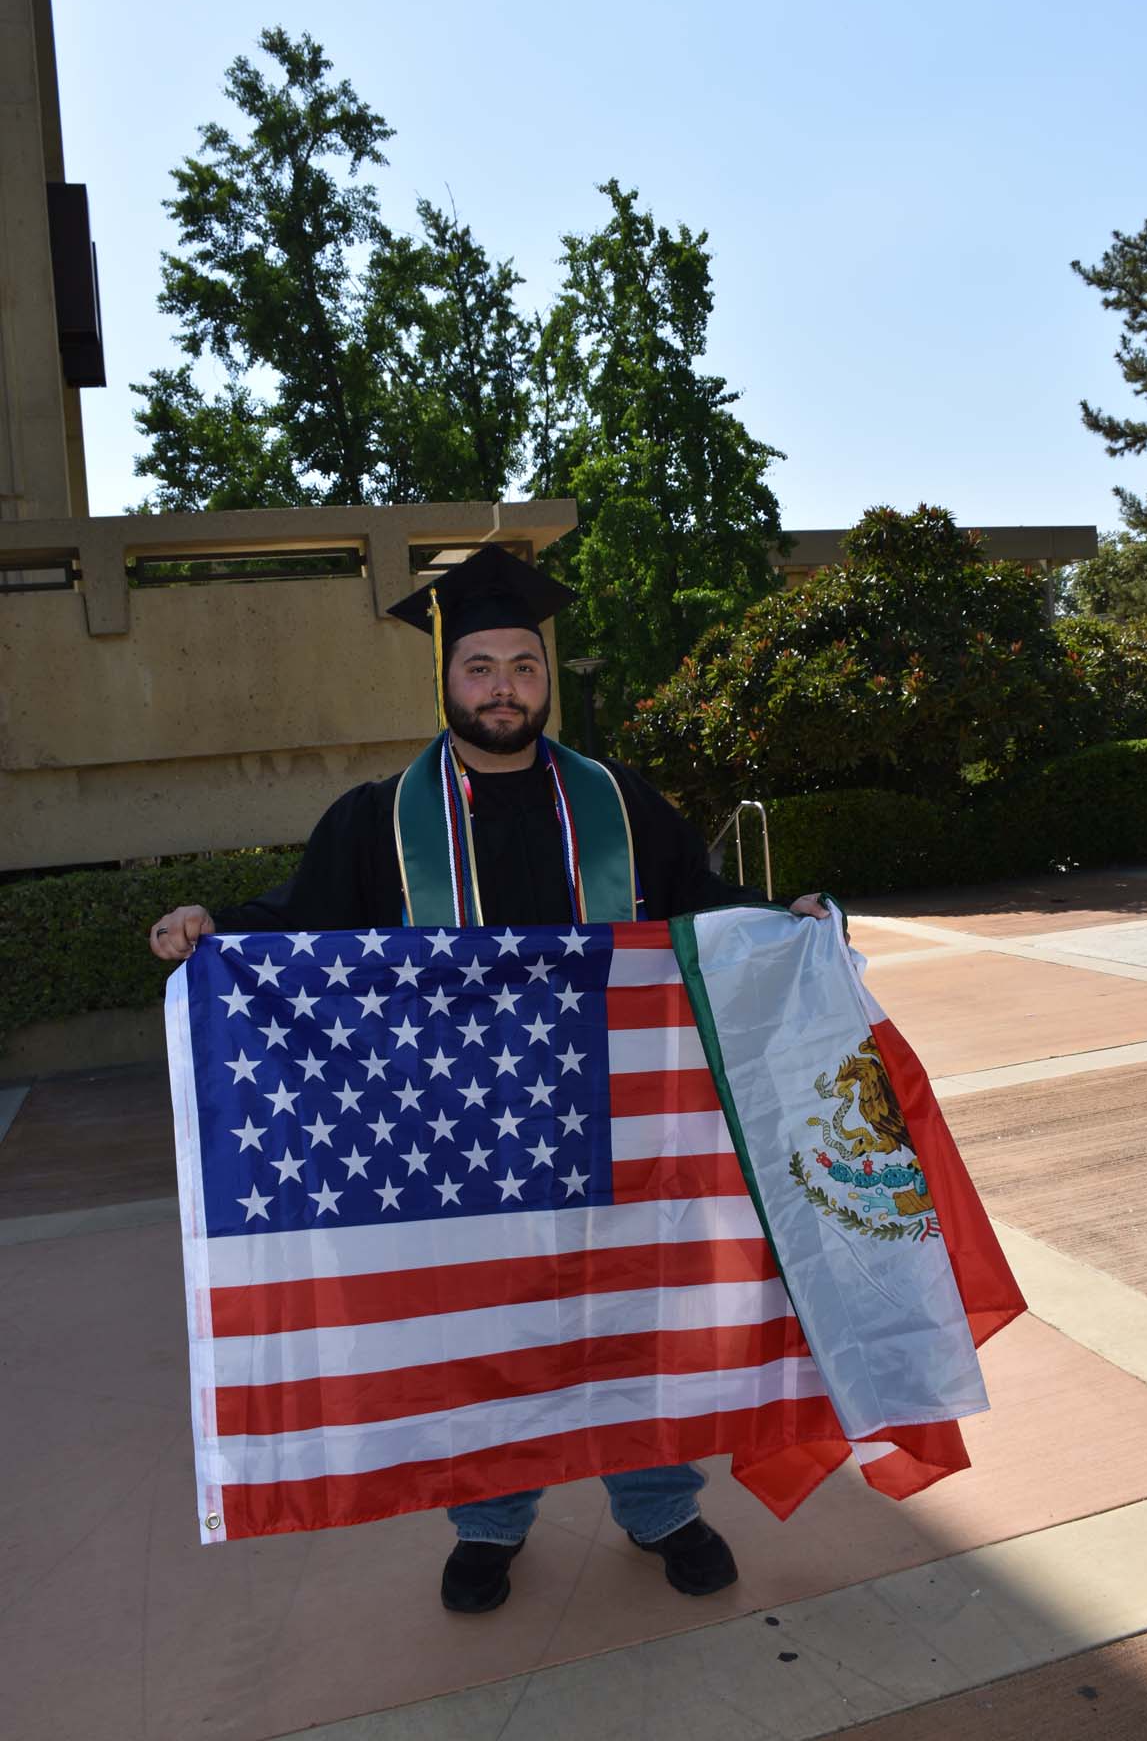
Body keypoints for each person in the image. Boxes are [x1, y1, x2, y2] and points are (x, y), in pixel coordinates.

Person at [150, 544, 829, 1614]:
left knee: (626, 1310)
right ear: (446, 680)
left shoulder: (617, 799)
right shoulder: (379, 817)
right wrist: (212, 930)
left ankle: (657, 1502)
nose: (504, 685)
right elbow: (296, 925)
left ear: (544, 676)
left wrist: (777, 921)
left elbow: (694, 898)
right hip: (455, 1130)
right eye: (480, 667)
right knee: (486, 1321)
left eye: (522, 663)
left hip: (614, 1116)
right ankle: (490, 1516)